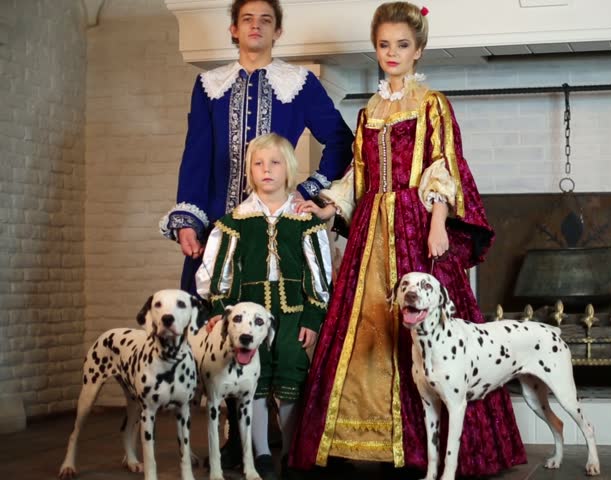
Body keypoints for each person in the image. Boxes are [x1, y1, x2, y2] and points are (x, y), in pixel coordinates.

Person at [290, 2, 526, 476]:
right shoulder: (368, 111)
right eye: (384, 45)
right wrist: (330, 204)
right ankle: (360, 443)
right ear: (376, 49)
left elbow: (444, 165)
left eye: (402, 45)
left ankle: (423, 450)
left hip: (416, 226)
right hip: (371, 230)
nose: (392, 53)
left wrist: (438, 221)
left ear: (418, 51)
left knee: (426, 332)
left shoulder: (431, 104)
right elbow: (359, 174)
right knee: (362, 330)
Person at [158, 0, 353, 469]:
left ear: (277, 30)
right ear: (233, 28)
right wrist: (189, 221)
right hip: (220, 235)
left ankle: (287, 439)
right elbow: (196, 155)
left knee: (285, 332)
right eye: (248, 19)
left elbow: (342, 141)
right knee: (220, 335)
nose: (256, 27)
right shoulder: (208, 86)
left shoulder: (300, 84)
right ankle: (233, 438)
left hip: (280, 234)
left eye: (266, 20)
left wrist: (308, 190)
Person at [197, 133, 333, 480]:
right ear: (250, 172)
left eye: (274, 163)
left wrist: (313, 317)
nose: (266, 170)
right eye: (258, 164)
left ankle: (291, 453)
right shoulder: (235, 222)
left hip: (292, 316)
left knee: (290, 374)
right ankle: (258, 455)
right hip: (248, 318)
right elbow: (220, 272)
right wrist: (219, 310)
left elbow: (319, 275)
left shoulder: (306, 223)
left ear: (288, 170)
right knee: (252, 381)